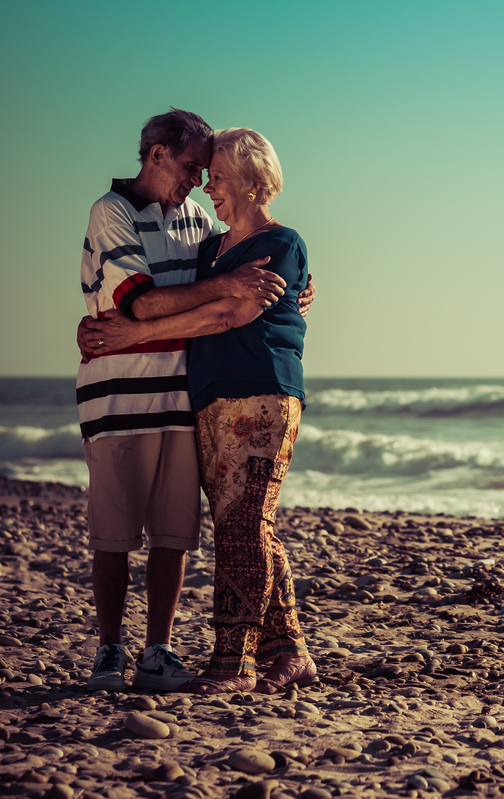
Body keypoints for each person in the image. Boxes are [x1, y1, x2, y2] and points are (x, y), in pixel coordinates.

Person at [83, 127, 318, 694]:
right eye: (201, 171)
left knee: (238, 526)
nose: (205, 184)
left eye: (215, 174)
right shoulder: (199, 243)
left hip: (253, 396)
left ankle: (227, 661)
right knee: (241, 526)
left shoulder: (259, 239)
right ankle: (289, 651)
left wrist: (127, 336)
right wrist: (126, 330)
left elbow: (227, 315)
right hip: (184, 402)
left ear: (250, 178)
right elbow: (158, 298)